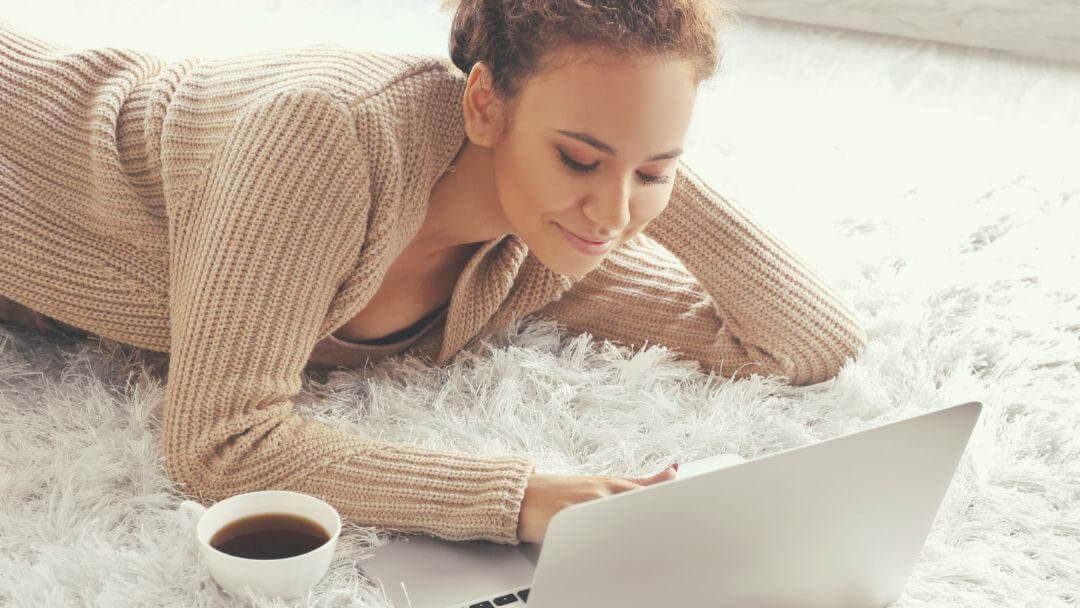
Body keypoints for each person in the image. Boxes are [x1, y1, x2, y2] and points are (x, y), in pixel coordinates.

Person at [0, 0, 867, 546]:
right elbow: (219, 441)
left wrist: (636, 158)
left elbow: (802, 343)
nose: (610, 216)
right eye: (576, 157)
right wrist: (521, 497)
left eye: (651, 172)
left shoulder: (553, 245)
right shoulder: (325, 138)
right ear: (485, 103)